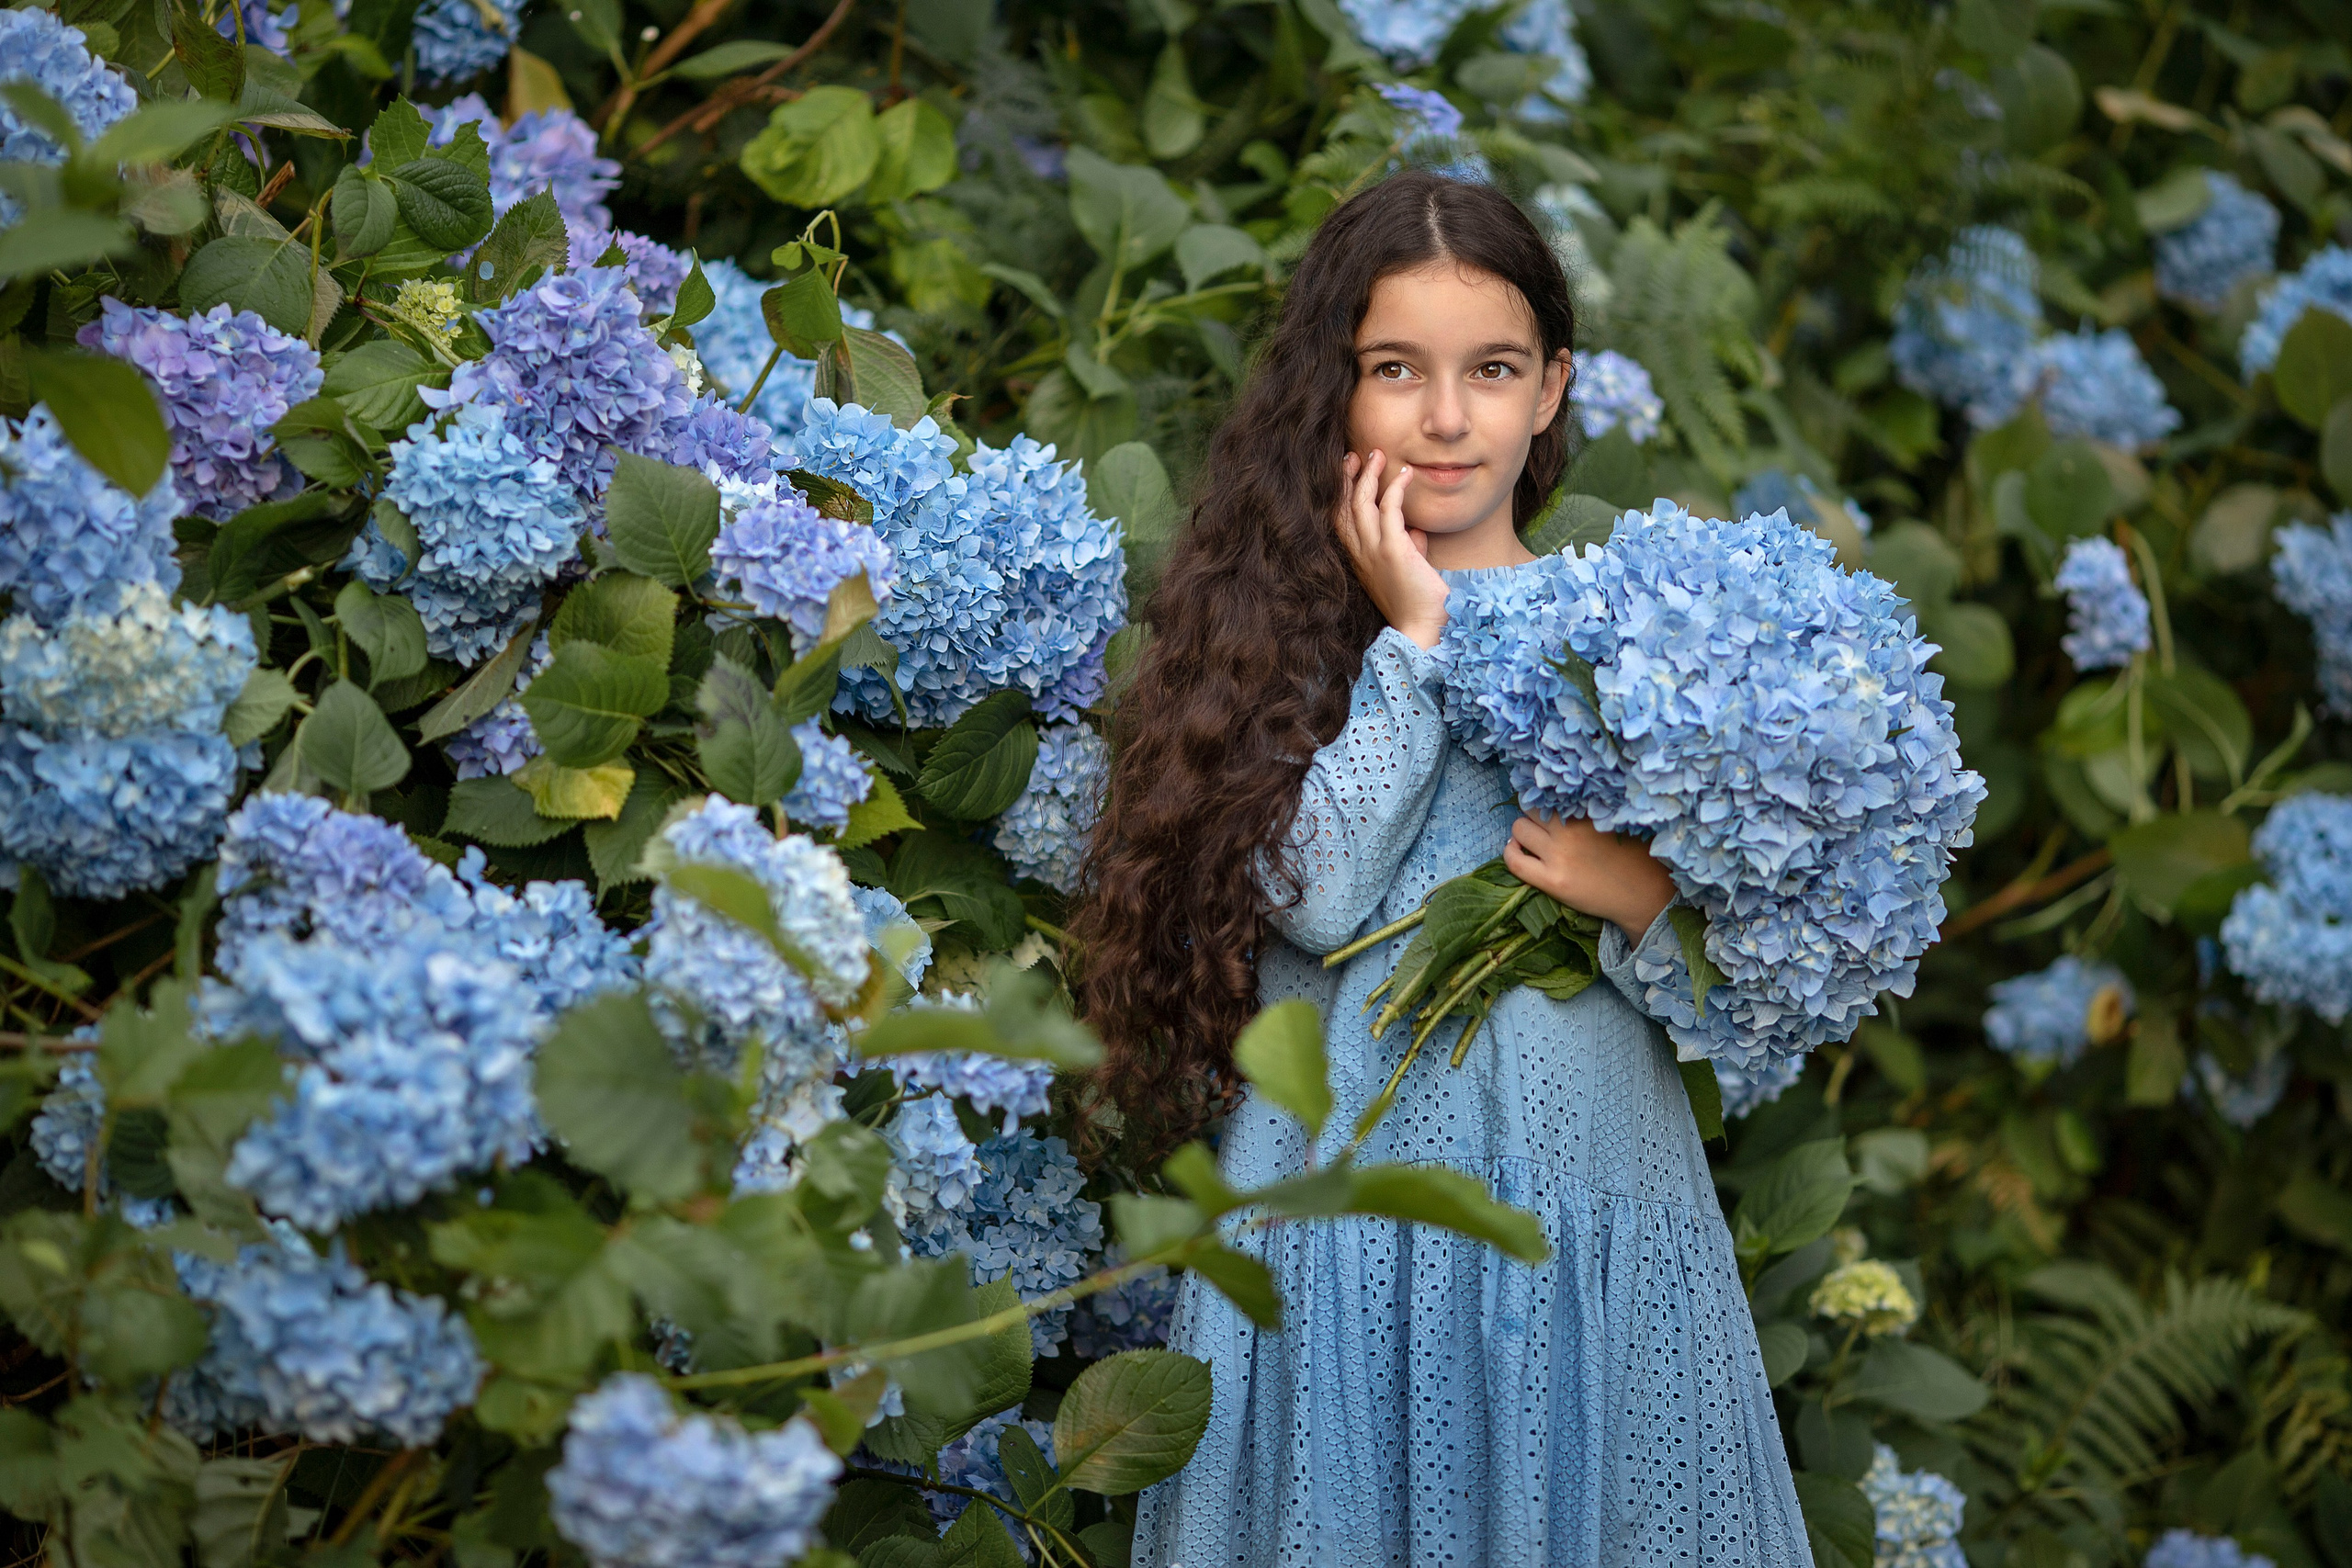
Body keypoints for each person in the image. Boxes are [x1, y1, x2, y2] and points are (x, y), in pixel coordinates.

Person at [1072, 170, 1812, 1566]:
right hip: (1354, 1209)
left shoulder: (1643, 633)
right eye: (1396, 371)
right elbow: (1317, 893)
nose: (1448, 417)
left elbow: (1762, 1009)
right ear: (1333, 396)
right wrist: (1416, 644)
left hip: (1587, 1193)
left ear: (1553, 391)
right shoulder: (1286, 642)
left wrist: (1645, 901)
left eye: (1493, 369)